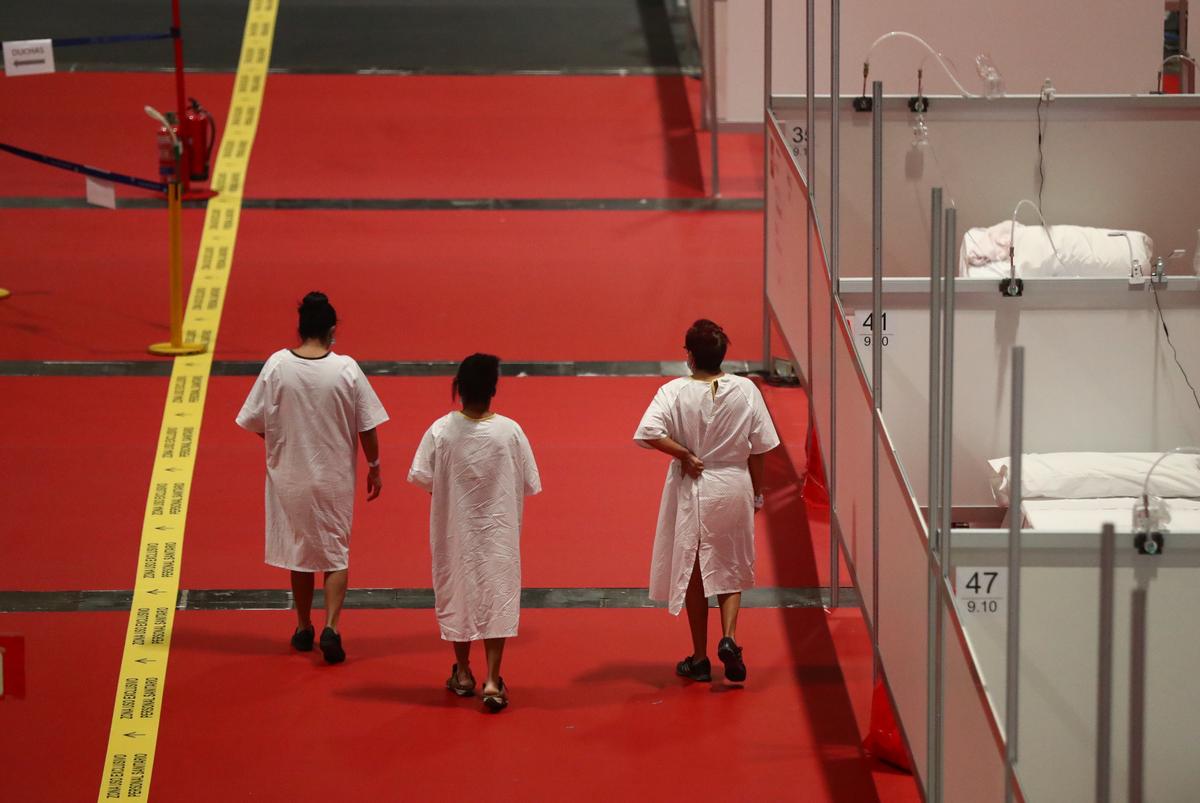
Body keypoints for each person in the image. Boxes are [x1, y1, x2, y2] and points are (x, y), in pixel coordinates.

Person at [236, 292, 388, 664]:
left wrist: (281, 442)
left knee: (299, 551)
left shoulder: (276, 365)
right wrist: (375, 464)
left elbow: (254, 419)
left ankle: (303, 626)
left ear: (300, 328)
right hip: (332, 477)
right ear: (332, 330)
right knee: (335, 553)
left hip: (289, 476)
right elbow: (366, 424)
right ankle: (331, 626)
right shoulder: (346, 369)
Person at [634, 319, 780, 683]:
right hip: (733, 484)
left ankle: (700, 657)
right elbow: (760, 449)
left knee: (696, 572)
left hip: (694, 486)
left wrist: (684, 453)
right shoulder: (746, 390)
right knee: (731, 565)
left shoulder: (674, 392)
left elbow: (649, 431)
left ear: (689, 356)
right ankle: (729, 637)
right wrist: (757, 491)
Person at [408, 354, 541, 712]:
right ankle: (494, 680)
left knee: (459, 593)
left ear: (459, 389)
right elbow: (530, 481)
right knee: (497, 595)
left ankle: (463, 673)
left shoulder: (440, 431)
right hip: (498, 533)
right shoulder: (510, 432)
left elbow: (424, 479)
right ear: (493, 390)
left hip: (455, 532)